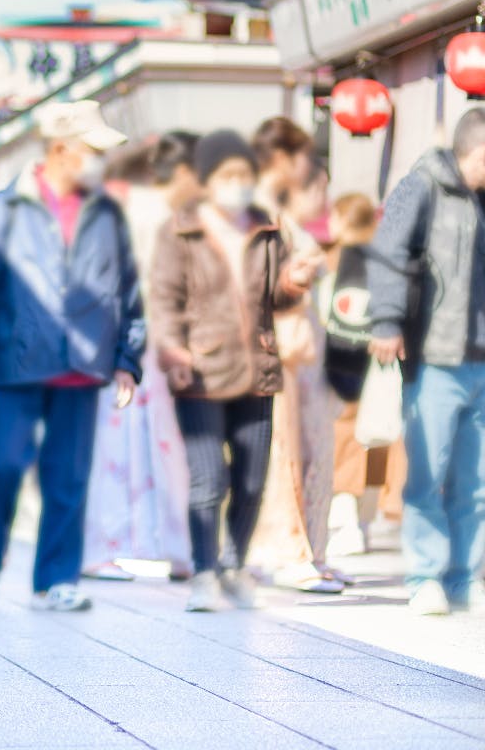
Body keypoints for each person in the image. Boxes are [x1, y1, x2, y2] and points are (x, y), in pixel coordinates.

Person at [0, 100, 144, 611]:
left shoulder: (106, 214)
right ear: (61, 150)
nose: (100, 161)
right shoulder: (0, 211)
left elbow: (126, 290)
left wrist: (128, 355)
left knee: (68, 476)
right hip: (17, 361)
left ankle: (55, 579)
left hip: (83, 362)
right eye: (92, 150)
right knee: (5, 463)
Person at [152, 130, 315, 612]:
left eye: (245, 174)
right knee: (208, 479)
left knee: (249, 480)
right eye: (228, 175)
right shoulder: (178, 231)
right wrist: (172, 351)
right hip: (199, 372)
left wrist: (294, 281)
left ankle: (233, 564)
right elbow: (164, 299)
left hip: (257, 368)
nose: (238, 184)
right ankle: (204, 572)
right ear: (207, 179)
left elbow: (279, 296)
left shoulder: (267, 227)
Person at [368, 107, 485, 616]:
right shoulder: (422, 186)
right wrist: (388, 322)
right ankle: (424, 576)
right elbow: (389, 252)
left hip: (481, 359)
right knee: (428, 472)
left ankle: (464, 577)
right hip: (435, 356)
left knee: (476, 479)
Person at [82, 132, 197, 582]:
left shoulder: (121, 209)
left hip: (129, 338)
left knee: (117, 444)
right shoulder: (156, 212)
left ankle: (108, 544)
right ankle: (179, 546)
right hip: (155, 336)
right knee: (167, 444)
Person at [250, 156, 345, 593]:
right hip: (287, 355)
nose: (323, 197)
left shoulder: (295, 230)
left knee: (314, 453)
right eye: (319, 188)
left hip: (306, 356)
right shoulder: (276, 229)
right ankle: (288, 551)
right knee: (288, 454)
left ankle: (314, 550)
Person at [323, 193, 406, 553]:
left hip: (340, 360)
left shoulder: (332, 260)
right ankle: (369, 519)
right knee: (377, 438)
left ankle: (347, 521)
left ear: (341, 219)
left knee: (344, 437)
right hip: (382, 361)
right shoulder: (389, 259)